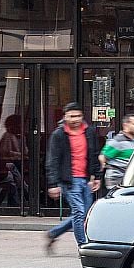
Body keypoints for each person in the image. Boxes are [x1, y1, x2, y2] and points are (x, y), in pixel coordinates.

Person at [45, 102, 101, 252]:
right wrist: (53, 183)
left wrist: (97, 176)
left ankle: (54, 233)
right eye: (71, 116)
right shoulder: (59, 134)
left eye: (78, 116)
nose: (75, 119)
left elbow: (94, 155)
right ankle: (83, 245)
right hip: (69, 179)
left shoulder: (89, 132)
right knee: (79, 211)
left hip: (86, 178)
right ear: (65, 117)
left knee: (85, 213)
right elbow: (53, 160)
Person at [100, 114, 134, 191]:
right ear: (126, 125)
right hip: (116, 182)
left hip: (130, 181)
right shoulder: (117, 141)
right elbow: (103, 157)